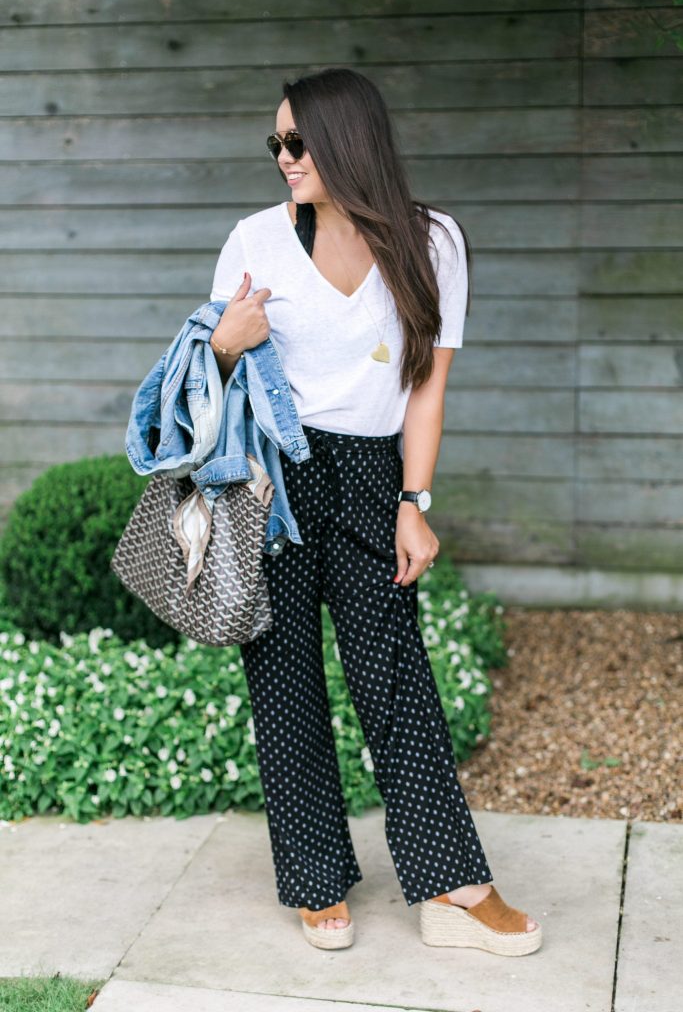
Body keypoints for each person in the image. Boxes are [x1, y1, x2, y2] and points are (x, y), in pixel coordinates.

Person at [206, 67, 542, 956]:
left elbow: (426, 393)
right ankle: (316, 881)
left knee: (395, 679)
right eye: (274, 144)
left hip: (368, 476)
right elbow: (213, 386)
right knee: (282, 685)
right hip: (271, 476)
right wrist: (224, 344)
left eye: (296, 142)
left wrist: (412, 500)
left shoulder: (432, 242)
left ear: (346, 140)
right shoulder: (254, 240)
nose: (282, 158)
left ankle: (452, 888)